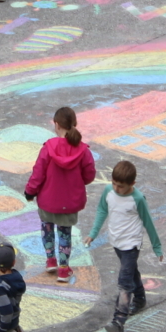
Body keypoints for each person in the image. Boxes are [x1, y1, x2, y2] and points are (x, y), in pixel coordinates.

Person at [85, 160, 162, 332]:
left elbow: (148, 222)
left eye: (121, 186)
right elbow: (102, 210)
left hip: (131, 245)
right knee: (132, 272)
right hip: (117, 242)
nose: (116, 188)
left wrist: (157, 247)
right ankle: (140, 299)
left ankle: (118, 321)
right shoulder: (108, 192)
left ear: (132, 184)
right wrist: (93, 233)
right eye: (114, 184)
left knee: (124, 282)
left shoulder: (138, 199)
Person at [24, 105, 96, 281]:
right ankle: (64, 269)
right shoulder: (83, 150)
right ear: (74, 124)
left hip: (48, 200)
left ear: (56, 124)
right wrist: (77, 182)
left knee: (47, 229)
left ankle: (50, 261)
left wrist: (30, 192)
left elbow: (38, 173)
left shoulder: (48, 147)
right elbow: (89, 175)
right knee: (65, 233)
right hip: (69, 202)